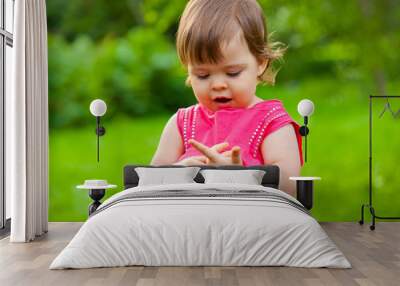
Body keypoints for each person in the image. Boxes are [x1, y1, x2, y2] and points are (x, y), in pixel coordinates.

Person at [151, 0, 303, 197]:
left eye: (232, 73)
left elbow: (290, 186)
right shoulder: (181, 124)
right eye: (203, 75)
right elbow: (148, 182)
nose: (218, 85)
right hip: (187, 223)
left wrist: (240, 175)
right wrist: (178, 172)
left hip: (250, 223)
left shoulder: (272, 122)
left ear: (260, 63)